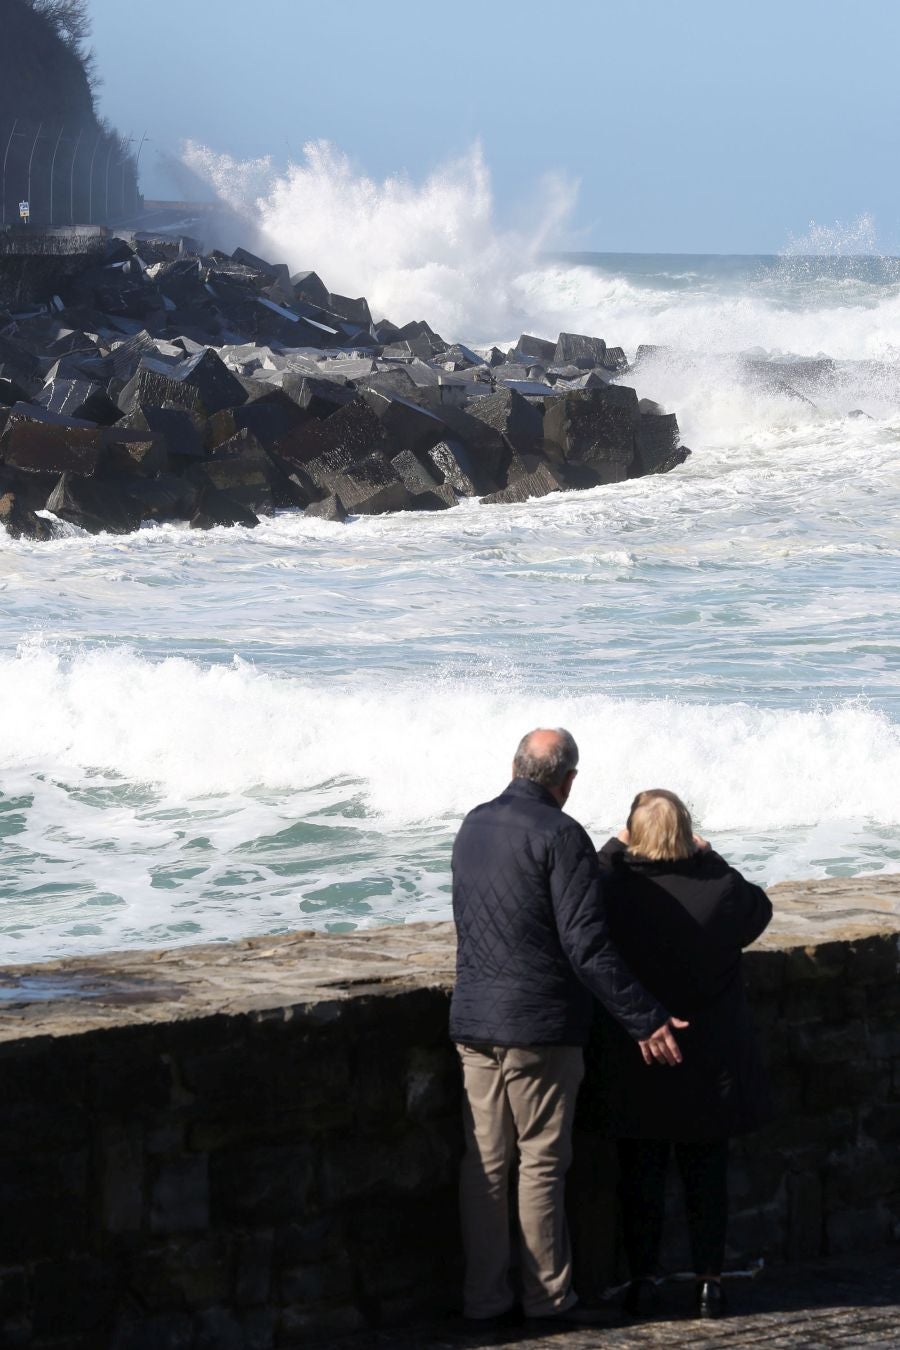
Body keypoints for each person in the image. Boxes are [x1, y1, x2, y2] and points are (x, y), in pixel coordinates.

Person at [449, 730, 689, 1330]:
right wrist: (645, 1017)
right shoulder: (561, 835)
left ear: (514, 767)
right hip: (539, 1025)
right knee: (541, 1163)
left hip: (474, 1020)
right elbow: (586, 945)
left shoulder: (473, 825)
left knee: (485, 1162)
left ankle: (484, 1300)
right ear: (568, 781)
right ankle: (548, 1299)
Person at [586, 788, 772, 1321]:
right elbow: (759, 910)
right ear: (689, 833)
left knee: (640, 1170)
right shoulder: (718, 887)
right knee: (706, 1172)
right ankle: (710, 1284)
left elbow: (583, 907)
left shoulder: (612, 887)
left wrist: (611, 847)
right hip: (706, 1057)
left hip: (637, 1051)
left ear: (634, 835)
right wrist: (709, 857)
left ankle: (643, 1281)